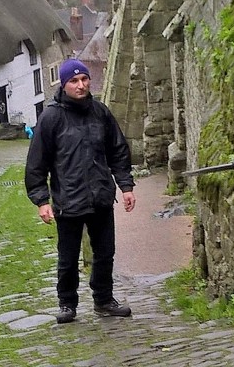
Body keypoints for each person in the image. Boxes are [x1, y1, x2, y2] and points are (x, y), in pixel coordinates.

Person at [24, 58, 136, 324]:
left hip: (100, 196)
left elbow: (118, 151)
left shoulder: (100, 112)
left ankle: (104, 300)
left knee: (105, 253)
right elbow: (37, 163)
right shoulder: (51, 117)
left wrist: (126, 186)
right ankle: (67, 304)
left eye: (84, 79)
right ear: (64, 84)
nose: (81, 85)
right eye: (74, 81)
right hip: (68, 199)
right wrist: (42, 200)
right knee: (68, 257)